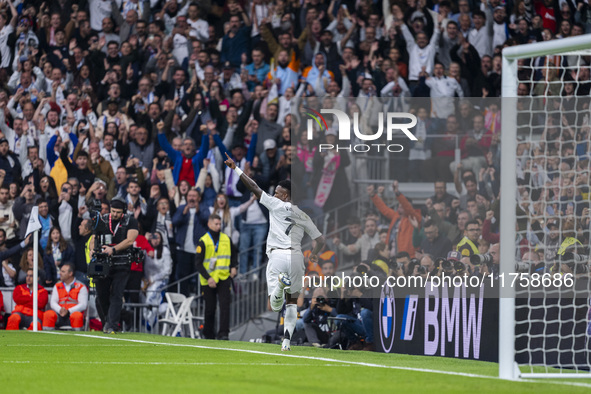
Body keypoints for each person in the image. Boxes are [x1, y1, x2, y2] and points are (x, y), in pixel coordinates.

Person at [224, 153, 325, 351]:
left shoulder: (276, 205)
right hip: (296, 257)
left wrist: (236, 168)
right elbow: (321, 240)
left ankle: (280, 286)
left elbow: (254, 187)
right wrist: (314, 254)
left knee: (275, 305)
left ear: (285, 196)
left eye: (277, 192)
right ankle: (286, 343)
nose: (275, 194)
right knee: (292, 303)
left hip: (278, 255)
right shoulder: (303, 214)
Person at [93, 198, 139, 334]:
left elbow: (130, 240)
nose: (114, 214)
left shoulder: (131, 221)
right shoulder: (103, 219)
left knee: (117, 294)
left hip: (122, 262)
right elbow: (94, 237)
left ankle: (111, 325)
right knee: (101, 294)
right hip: (104, 262)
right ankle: (114, 320)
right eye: (113, 211)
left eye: (118, 212)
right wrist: (92, 250)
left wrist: (113, 249)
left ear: (123, 212)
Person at [195, 214, 237, 340]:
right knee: (210, 308)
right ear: (209, 224)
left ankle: (224, 333)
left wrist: (234, 266)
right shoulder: (204, 241)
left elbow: (235, 254)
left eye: (220, 224)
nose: (219, 226)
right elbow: (198, 263)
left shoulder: (226, 239)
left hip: (224, 277)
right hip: (209, 279)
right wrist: (208, 278)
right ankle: (208, 334)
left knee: (225, 307)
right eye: (216, 224)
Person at [42, 262, 89, 331]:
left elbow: (83, 305)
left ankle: (77, 339)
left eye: (63, 271)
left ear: (70, 273)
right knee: (48, 314)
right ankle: (47, 339)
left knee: (77, 316)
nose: (60, 273)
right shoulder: (57, 286)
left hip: (73, 314)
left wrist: (69, 311)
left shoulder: (81, 286)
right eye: (60, 271)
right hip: (59, 314)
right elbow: (53, 302)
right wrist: (60, 310)